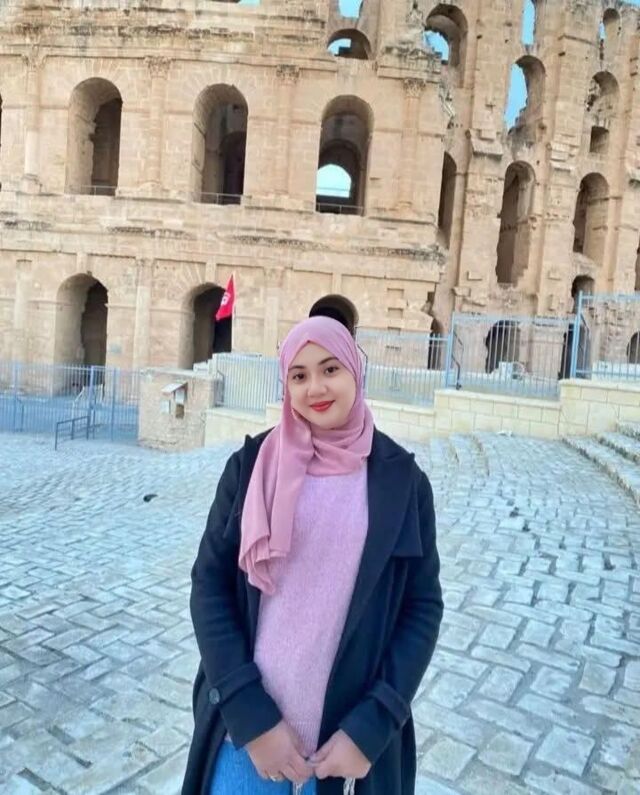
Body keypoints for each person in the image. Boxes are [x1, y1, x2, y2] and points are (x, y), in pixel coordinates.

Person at [182, 316, 443, 795]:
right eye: (299, 375)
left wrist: (372, 726)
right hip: (249, 740)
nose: (315, 388)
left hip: (345, 748)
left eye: (330, 369)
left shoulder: (402, 483)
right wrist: (252, 717)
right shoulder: (251, 467)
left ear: (354, 371)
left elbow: (421, 608)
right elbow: (209, 586)